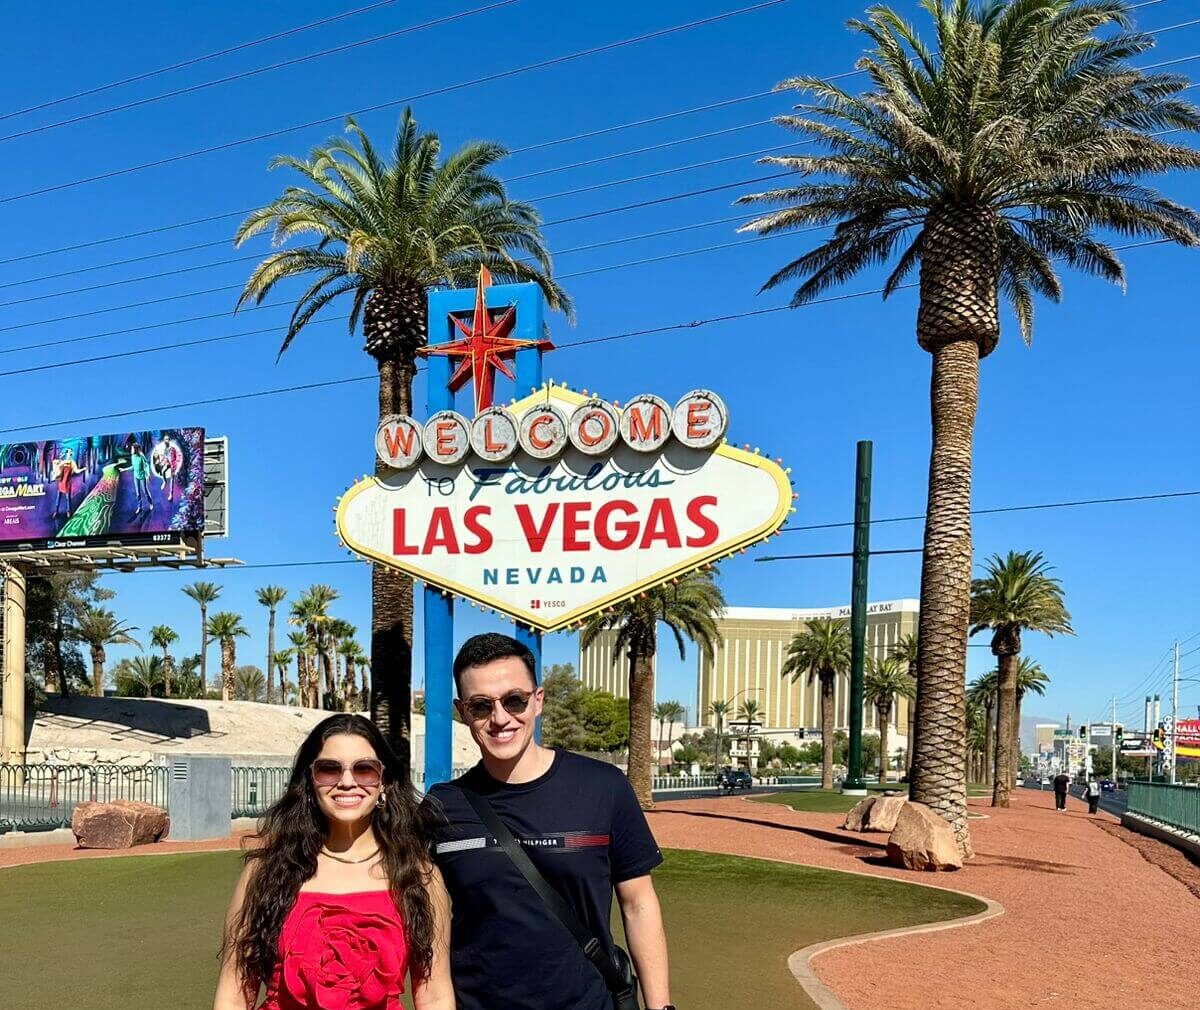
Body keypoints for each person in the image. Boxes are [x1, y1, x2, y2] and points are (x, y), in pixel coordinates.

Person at [424, 633, 673, 1010]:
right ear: (463, 711)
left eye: (514, 700)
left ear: (537, 700)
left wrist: (661, 1006)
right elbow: (430, 936)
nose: (500, 718)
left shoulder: (604, 787)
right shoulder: (442, 807)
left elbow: (638, 904)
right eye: (481, 706)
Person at [213, 714, 454, 1010]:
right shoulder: (264, 873)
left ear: (384, 782)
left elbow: (434, 996)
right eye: (329, 769)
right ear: (310, 780)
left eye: (365, 769)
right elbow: (234, 993)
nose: (347, 782)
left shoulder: (419, 876)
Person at [129, 442, 154, 516]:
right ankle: (139, 507)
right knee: (138, 493)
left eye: (132, 449)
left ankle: (151, 503)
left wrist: (148, 474)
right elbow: (133, 467)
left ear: (136, 449)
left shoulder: (141, 457)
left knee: (145, 492)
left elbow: (146, 466)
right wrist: (124, 469)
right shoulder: (133, 456)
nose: (131, 450)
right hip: (136, 476)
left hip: (142, 476)